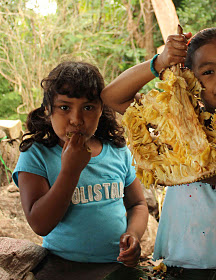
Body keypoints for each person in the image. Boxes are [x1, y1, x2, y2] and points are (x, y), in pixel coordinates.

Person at [101, 27, 216, 279]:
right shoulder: (175, 124)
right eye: (208, 72)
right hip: (175, 269)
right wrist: (161, 61)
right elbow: (111, 97)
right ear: (192, 82)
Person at [12, 61, 148, 279]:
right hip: (61, 266)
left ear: (101, 110)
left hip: (117, 266)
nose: (76, 120)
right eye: (64, 107)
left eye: (88, 107)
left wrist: (134, 234)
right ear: (48, 110)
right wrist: (70, 170)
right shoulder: (36, 155)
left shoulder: (117, 151)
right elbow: (40, 224)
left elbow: (138, 204)